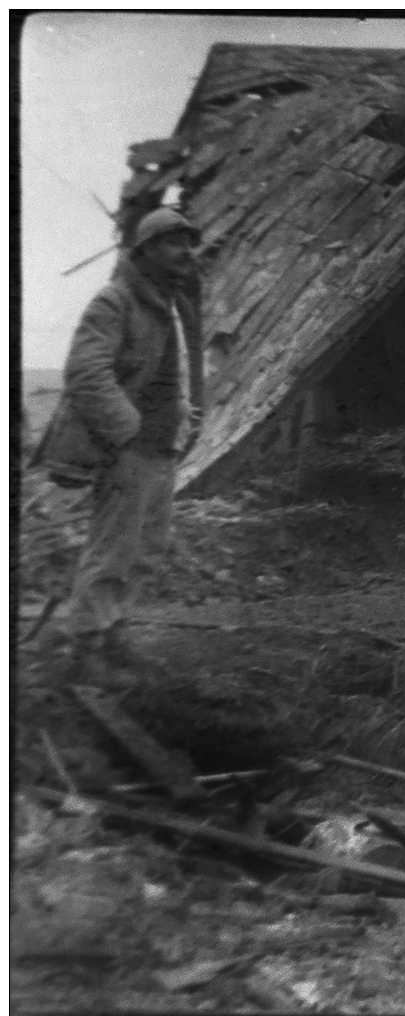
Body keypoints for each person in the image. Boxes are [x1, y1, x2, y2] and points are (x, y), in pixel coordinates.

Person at [33, 206, 205, 686]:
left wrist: (184, 417)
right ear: (145, 250)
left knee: (146, 548)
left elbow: (173, 370)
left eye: (188, 242)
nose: (186, 252)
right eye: (174, 242)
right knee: (113, 550)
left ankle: (113, 637)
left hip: (160, 448)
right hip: (129, 448)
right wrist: (127, 431)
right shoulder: (115, 300)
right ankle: (86, 650)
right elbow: (86, 373)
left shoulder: (172, 302)